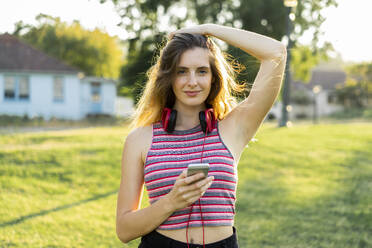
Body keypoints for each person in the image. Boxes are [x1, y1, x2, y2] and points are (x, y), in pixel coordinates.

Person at [116, 23, 287, 248]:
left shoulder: (233, 127)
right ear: (168, 77)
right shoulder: (140, 139)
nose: (192, 81)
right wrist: (171, 202)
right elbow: (124, 230)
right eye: (182, 71)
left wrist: (208, 29)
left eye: (202, 71)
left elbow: (276, 52)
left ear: (214, 78)